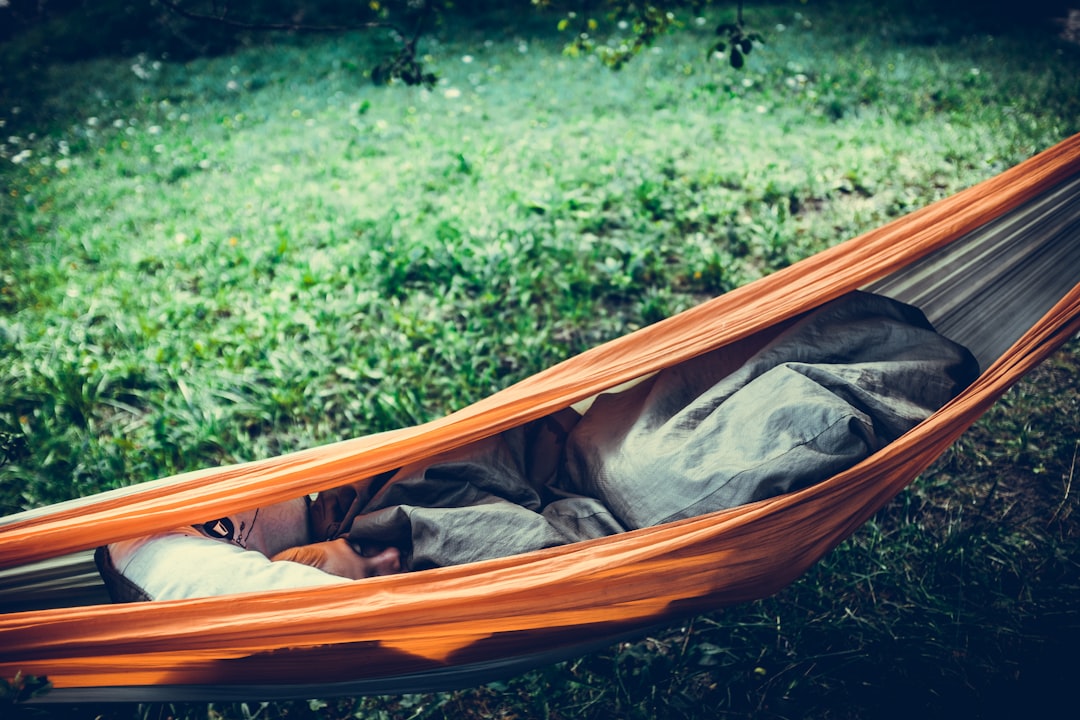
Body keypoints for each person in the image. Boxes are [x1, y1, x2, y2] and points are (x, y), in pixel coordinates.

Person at [102, 291, 979, 598]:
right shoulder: (360, 555)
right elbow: (549, 540)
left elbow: (499, 454)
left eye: (203, 505)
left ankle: (868, 333)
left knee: (658, 408)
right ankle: (892, 363)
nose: (233, 519)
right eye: (217, 537)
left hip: (572, 445)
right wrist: (390, 544)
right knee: (670, 474)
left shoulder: (346, 487)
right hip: (614, 516)